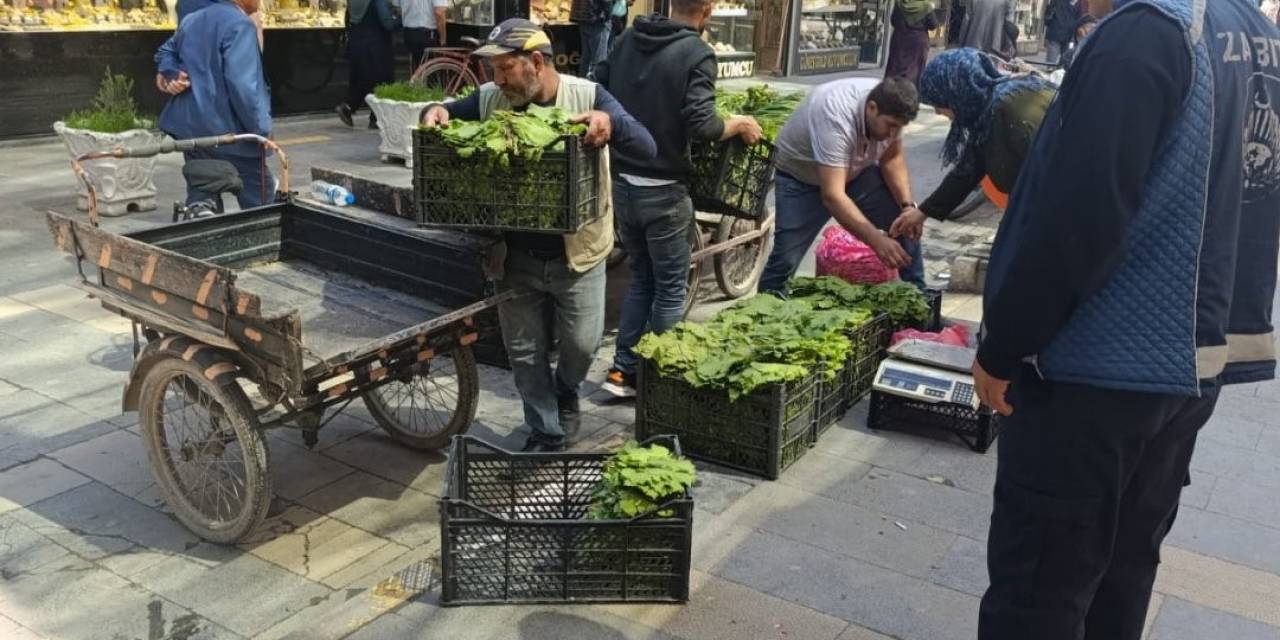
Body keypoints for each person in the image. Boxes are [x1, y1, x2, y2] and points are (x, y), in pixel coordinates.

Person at [972, 0, 1280, 638]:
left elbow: (1076, 214)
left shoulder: (1147, 32)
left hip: (1099, 369)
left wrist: (1003, 346)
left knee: (1040, 589)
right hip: (1195, 358)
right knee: (1123, 569)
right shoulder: (1256, 33)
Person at [418, 19, 656, 452]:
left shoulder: (587, 95)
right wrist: (435, 111)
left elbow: (646, 146)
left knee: (582, 346)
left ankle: (566, 391)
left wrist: (609, 124)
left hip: (578, 255)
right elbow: (446, 112)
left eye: (506, 69)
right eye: (493, 71)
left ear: (537, 62)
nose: (498, 80)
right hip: (514, 257)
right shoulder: (492, 99)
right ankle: (546, 431)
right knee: (525, 356)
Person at [592, 0, 763, 398]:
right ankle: (655, 377)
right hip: (664, 190)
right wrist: (737, 123)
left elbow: (596, 87)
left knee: (642, 279)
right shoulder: (698, 52)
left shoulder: (629, 37)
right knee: (670, 285)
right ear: (705, 12)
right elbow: (701, 124)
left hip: (623, 185)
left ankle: (623, 372)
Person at [757, 77, 924, 295]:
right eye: (890, 125)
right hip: (800, 179)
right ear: (872, 108)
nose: (893, 134)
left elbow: (891, 159)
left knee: (905, 223)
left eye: (899, 128)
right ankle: (764, 314)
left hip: (855, 172)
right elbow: (833, 196)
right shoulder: (835, 115)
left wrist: (907, 207)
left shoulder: (891, 104)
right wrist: (877, 241)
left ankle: (922, 297)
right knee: (785, 261)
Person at [891, 48, 1053, 239]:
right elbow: (968, 171)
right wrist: (922, 213)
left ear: (957, 93)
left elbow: (1046, 181)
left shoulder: (1009, 110)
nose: (937, 111)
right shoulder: (988, 112)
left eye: (939, 102)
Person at [154, 0, 274, 209]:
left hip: (194, 133)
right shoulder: (240, 25)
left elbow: (165, 51)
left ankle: (200, 219)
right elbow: (244, 87)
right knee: (261, 197)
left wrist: (171, 71)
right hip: (230, 134)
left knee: (202, 192)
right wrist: (261, 131)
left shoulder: (193, 19)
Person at [336, 0, 398, 128]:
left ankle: (348, 107)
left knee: (361, 80)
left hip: (357, 43)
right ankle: (376, 118)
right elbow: (388, 24)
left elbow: (348, 19)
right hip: (376, 46)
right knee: (382, 81)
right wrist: (403, 20)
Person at [884, 0, 940, 86]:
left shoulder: (899, 3)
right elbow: (933, 25)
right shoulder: (926, 6)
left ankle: (890, 91)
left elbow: (893, 20)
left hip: (900, 39)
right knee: (915, 69)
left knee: (895, 67)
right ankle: (910, 93)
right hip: (918, 42)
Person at [400, 0, 448, 72]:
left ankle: (416, 81)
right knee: (430, 69)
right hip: (427, 34)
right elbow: (439, 13)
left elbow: (397, 6)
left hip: (408, 32)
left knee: (416, 66)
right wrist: (443, 38)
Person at [576, 0, 612, 77]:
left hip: (584, 18)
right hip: (597, 20)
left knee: (586, 59)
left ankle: (582, 85)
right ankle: (597, 86)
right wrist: (608, 16)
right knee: (599, 60)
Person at [1042, 0, 1080, 64]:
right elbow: (1078, 16)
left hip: (1055, 29)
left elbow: (1049, 12)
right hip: (1068, 32)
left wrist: (1048, 23)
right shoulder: (1076, 2)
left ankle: (1050, 69)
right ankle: (1061, 69)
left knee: (1052, 55)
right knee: (1065, 55)